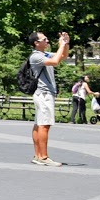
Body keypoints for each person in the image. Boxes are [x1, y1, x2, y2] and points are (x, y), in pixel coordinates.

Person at [27, 29, 70, 166]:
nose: (47, 41)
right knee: (44, 125)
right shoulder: (36, 56)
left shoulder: (44, 54)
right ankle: (44, 157)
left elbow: (62, 56)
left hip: (43, 93)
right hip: (44, 93)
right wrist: (61, 45)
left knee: (39, 124)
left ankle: (38, 156)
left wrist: (66, 44)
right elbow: (55, 62)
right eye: (44, 39)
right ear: (36, 43)